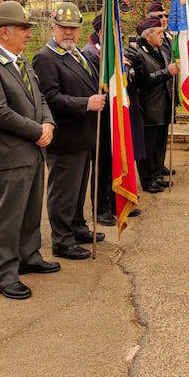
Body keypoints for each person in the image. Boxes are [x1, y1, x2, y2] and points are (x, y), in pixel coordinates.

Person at [0, 0, 58, 300]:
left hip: (33, 150)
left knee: (31, 210)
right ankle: (5, 274)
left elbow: (40, 98)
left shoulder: (21, 60)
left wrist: (48, 124)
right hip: (9, 154)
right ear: (4, 32)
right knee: (7, 215)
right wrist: (37, 131)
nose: (28, 34)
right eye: (23, 28)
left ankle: (28, 257)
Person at [33, 3, 108, 262]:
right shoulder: (45, 57)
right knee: (63, 192)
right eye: (64, 28)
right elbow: (51, 98)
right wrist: (86, 103)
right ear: (53, 27)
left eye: (74, 28)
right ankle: (62, 241)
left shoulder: (79, 55)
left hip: (83, 135)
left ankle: (77, 227)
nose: (69, 33)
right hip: (64, 138)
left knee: (77, 189)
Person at [125, 18, 179, 193]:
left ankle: (157, 175)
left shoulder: (159, 50)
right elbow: (143, 81)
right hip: (148, 108)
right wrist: (166, 72)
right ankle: (147, 180)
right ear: (147, 36)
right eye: (158, 33)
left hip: (162, 106)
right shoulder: (138, 54)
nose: (162, 36)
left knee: (159, 145)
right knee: (148, 147)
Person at [82, 14, 127, 224]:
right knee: (101, 164)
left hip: (113, 113)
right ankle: (100, 209)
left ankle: (113, 202)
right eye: (114, 30)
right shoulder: (89, 52)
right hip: (100, 116)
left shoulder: (108, 50)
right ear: (102, 32)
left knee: (113, 161)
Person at [145, 2, 176, 179]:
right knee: (153, 138)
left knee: (163, 134)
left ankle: (159, 164)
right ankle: (153, 170)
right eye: (159, 16)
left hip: (167, 94)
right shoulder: (147, 40)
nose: (164, 19)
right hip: (154, 98)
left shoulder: (169, 37)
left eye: (165, 16)